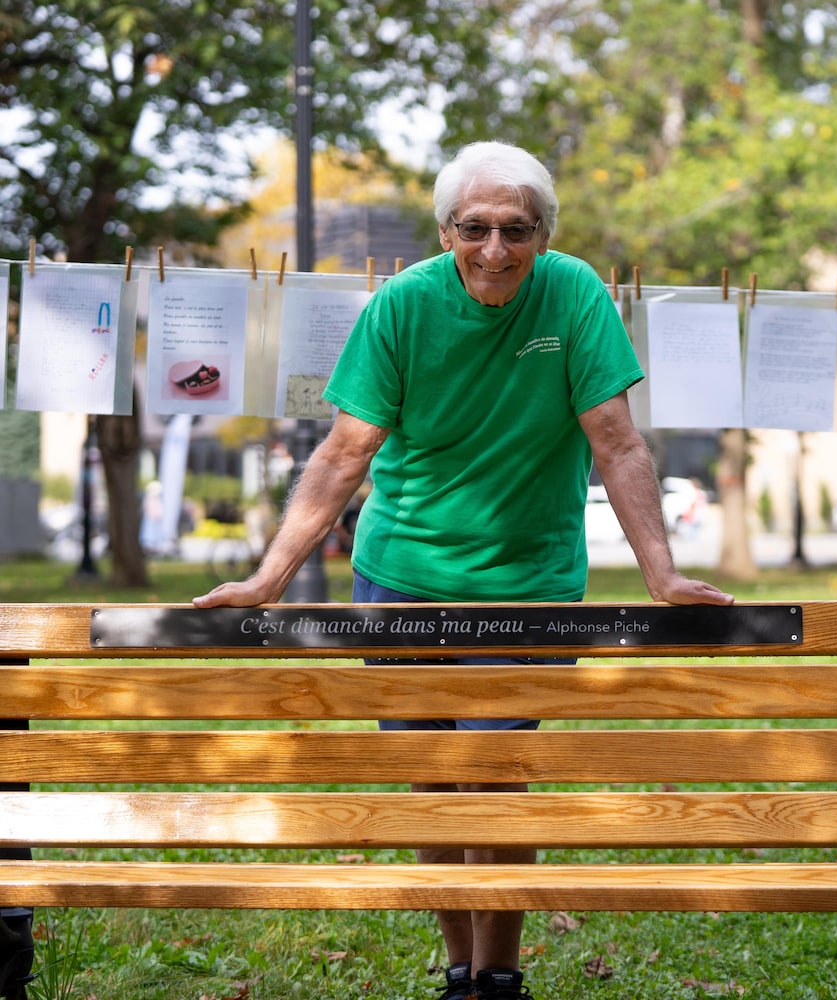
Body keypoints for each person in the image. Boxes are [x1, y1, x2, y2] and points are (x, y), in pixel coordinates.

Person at [194, 140, 733, 1000]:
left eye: (516, 230)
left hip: (529, 582)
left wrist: (661, 573)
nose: (495, 250)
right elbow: (344, 453)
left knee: (495, 777)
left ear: (544, 233)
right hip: (402, 573)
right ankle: (457, 969)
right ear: (446, 230)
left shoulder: (574, 294)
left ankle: (499, 974)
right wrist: (268, 579)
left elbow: (617, 441)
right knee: (431, 784)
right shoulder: (401, 307)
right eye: (474, 228)